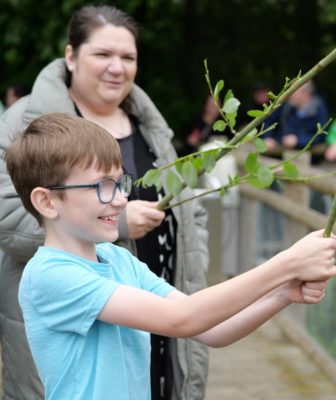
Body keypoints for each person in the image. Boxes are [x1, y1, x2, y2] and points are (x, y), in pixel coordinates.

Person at [5, 112, 336, 400]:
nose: (122, 199)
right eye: (102, 187)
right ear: (46, 201)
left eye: (119, 183)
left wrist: (283, 292)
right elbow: (182, 319)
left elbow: (212, 331)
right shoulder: (51, 276)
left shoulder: (118, 260)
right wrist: (287, 263)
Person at [0, 5, 208, 399]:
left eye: (128, 57)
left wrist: (195, 268)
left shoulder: (153, 129)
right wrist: (121, 225)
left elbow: (191, 209)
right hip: (81, 317)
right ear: (71, 56)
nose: (117, 67)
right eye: (103, 55)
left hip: (158, 302)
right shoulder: (24, 125)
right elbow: (7, 212)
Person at [263, 80, 329, 151]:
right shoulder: (286, 105)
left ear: (305, 93)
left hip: (310, 156)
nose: (289, 95)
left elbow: (321, 136)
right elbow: (269, 121)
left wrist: (298, 140)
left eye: (293, 91)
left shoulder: (318, 108)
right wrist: (268, 137)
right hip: (279, 152)